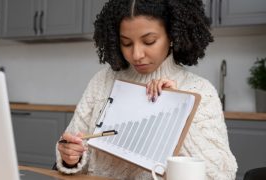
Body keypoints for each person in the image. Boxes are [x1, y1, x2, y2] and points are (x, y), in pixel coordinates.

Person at [55, 0, 238, 179]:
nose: (136, 55)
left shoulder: (200, 91)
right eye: (126, 43)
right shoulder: (102, 81)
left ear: (173, 36)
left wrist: (178, 109)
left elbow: (222, 174)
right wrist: (71, 157)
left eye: (149, 41)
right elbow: (73, 148)